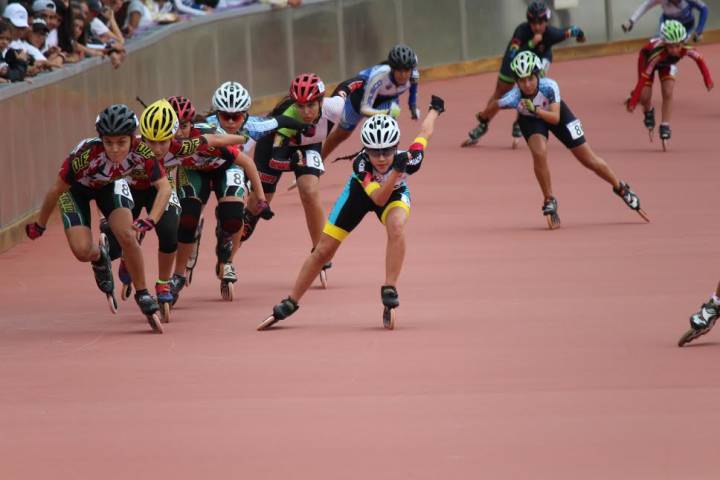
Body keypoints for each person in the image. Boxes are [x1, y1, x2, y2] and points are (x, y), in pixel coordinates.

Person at [257, 95, 446, 332]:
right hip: (361, 194)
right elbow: (378, 198)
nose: (380, 158)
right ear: (365, 150)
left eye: (386, 151)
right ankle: (291, 301)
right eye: (374, 152)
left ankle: (389, 288)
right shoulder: (361, 164)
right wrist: (395, 172)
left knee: (397, 226)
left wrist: (434, 110)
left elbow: (425, 133)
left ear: (396, 146)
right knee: (323, 250)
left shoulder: (411, 159)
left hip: (395, 194)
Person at [25, 104, 172, 333]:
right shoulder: (85, 155)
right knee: (82, 251)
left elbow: (164, 187)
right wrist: (40, 224)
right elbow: (56, 190)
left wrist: (151, 219)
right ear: (101, 139)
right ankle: (99, 256)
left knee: (127, 235)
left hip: (109, 186)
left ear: (132, 138)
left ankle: (143, 294)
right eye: (108, 142)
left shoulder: (143, 151)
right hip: (75, 192)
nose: (114, 149)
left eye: (121, 142)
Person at [484, 51, 649, 229]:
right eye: (522, 81)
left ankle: (621, 187)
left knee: (589, 160)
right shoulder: (513, 97)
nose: (527, 84)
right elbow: (495, 105)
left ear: (537, 75)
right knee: (539, 152)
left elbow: (555, 118)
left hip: (557, 115)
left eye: (530, 78)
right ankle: (549, 199)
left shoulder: (549, 86)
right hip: (531, 121)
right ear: (516, 82)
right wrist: (483, 119)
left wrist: (535, 109)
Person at [170, 83, 279, 302]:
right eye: (225, 116)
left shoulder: (211, 136)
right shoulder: (174, 139)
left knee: (233, 217)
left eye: (235, 117)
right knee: (188, 219)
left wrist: (261, 199)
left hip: (226, 167)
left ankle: (227, 259)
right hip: (194, 171)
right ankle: (178, 275)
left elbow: (248, 163)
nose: (230, 122)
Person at [241, 73, 346, 286]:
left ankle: (320, 252)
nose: (306, 112)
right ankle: (227, 255)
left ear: (321, 101)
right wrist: (295, 163)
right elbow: (277, 160)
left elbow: (352, 92)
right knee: (257, 204)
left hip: (308, 145)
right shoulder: (285, 115)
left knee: (309, 190)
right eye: (300, 106)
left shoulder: (334, 107)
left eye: (311, 105)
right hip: (274, 148)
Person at [461, 1, 585, 147]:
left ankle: (521, 119)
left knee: (534, 87)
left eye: (540, 23)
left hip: (538, 61)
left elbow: (574, 30)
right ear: (528, 22)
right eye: (533, 23)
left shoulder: (552, 33)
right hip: (514, 62)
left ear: (547, 21)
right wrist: (531, 43)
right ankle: (483, 123)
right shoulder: (522, 31)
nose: (537, 27)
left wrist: (581, 36)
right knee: (500, 92)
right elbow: (512, 53)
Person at [321, 44, 420, 161]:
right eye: (399, 71)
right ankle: (318, 161)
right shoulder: (380, 77)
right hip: (360, 96)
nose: (403, 75)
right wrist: (385, 113)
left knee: (386, 132)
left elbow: (413, 92)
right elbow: (365, 109)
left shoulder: (414, 76)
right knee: (342, 134)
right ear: (393, 69)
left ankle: (382, 164)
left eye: (407, 70)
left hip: (387, 99)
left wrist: (413, 108)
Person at [625, 20, 712, 146]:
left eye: (677, 46)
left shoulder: (686, 49)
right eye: (670, 46)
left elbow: (700, 60)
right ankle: (648, 111)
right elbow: (643, 79)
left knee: (668, 91)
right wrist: (634, 101)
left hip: (666, 64)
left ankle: (665, 125)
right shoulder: (656, 54)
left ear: (682, 42)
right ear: (665, 43)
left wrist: (707, 80)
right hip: (647, 59)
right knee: (644, 96)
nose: (674, 50)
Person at [622, 0, 708, 42]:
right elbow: (645, 6)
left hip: (686, 26)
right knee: (656, 42)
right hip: (667, 23)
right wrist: (631, 21)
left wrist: (699, 30)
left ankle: (671, 67)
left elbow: (704, 9)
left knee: (675, 47)